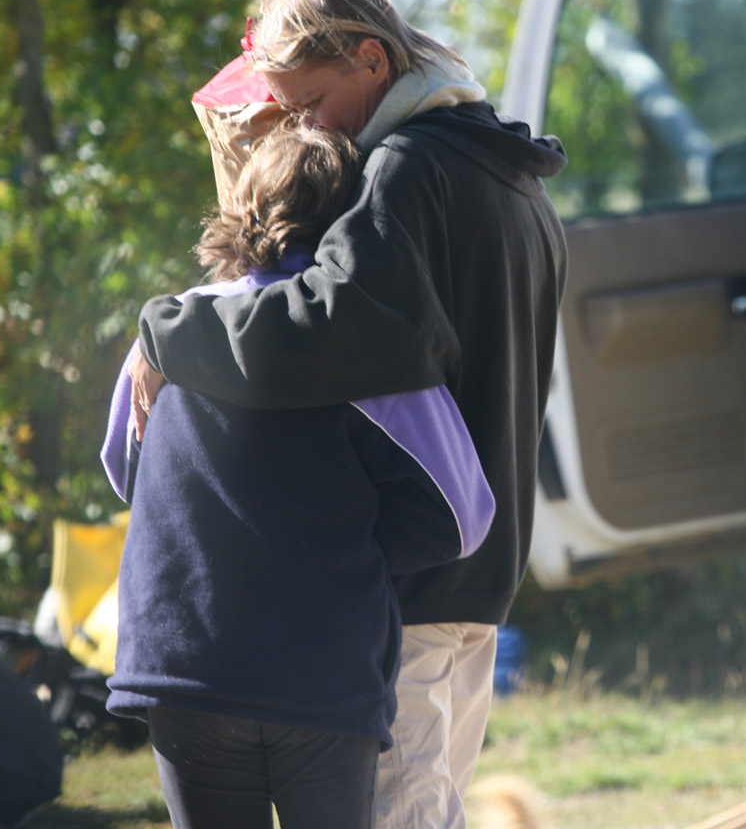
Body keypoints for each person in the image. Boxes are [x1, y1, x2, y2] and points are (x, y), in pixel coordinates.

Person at [126, 0, 569, 829]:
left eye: (312, 102)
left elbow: (335, 327)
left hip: (413, 585)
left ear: (372, 59)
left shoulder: (410, 168)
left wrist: (166, 331)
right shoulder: (507, 173)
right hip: (478, 572)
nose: (306, 130)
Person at [100, 122, 495, 829]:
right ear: (351, 224)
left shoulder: (164, 336)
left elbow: (126, 472)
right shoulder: (370, 349)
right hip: (322, 672)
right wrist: (348, 543)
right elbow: (462, 516)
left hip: (182, 664)